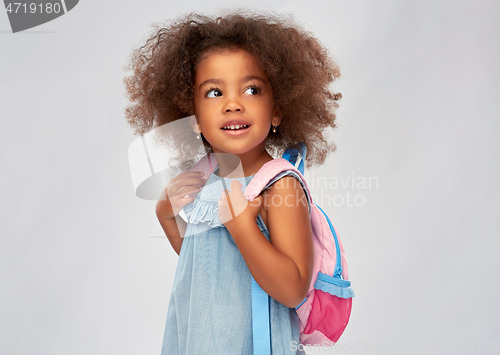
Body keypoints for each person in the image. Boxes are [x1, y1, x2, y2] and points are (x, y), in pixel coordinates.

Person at [124, 10, 342, 354]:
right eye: (214, 93)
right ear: (193, 117)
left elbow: (293, 289)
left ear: (277, 110)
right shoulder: (204, 175)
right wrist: (167, 216)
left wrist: (243, 227)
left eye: (252, 89)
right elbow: (206, 264)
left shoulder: (279, 185)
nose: (233, 104)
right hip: (200, 339)